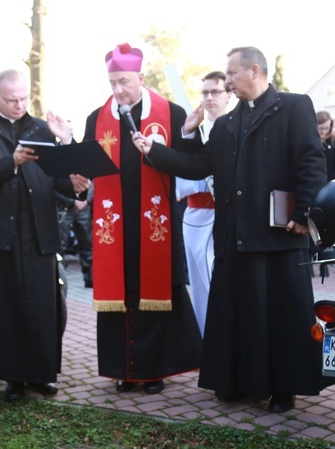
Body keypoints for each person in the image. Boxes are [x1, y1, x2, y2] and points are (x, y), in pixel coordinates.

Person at [140, 46, 333, 412]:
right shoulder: (226, 124)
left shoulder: (294, 107)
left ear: (254, 70)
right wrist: (156, 150)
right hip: (234, 237)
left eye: (230, 74)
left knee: (280, 316)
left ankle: (283, 388)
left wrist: (305, 213)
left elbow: (310, 161)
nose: (226, 81)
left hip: (279, 235)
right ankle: (238, 382)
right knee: (240, 314)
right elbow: (198, 165)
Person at [71, 42, 202, 395]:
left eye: (124, 82)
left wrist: (158, 151)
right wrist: (76, 178)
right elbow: (84, 169)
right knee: (120, 297)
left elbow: (194, 164)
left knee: (153, 295)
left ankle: (154, 370)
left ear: (141, 77)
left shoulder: (170, 113)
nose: (117, 90)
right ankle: (123, 370)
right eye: (112, 82)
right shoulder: (95, 120)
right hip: (113, 226)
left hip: (154, 224)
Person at [0, 69, 89, 401]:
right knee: (8, 308)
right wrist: (11, 162)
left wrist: (75, 186)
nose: (19, 105)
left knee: (43, 307)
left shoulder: (41, 129)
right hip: (1, 234)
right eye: (12, 99)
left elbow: (57, 180)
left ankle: (41, 376)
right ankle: (14, 378)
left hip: (38, 232)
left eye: (24, 98)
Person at [175, 70, 231, 336]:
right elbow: (183, 172)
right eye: (205, 92)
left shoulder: (235, 126)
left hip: (226, 216)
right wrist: (187, 131)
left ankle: (225, 339)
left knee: (221, 281)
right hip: (196, 214)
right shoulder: (194, 130)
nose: (209, 97)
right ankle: (205, 340)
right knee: (199, 284)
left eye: (215, 91)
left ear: (228, 94)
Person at [56, 181, 94, 288]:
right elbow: (53, 185)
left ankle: (90, 278)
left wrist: (86, 199)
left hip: (83, 207)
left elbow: (91, 181)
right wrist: (73, 200)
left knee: (87, 243)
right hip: (64, 208)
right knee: (60, 246)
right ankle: (60, 279)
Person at [317, 110, 335, 182]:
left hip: (331, 182)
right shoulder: (310, 141)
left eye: (327, 128)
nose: (324, 132)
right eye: (321, 128)